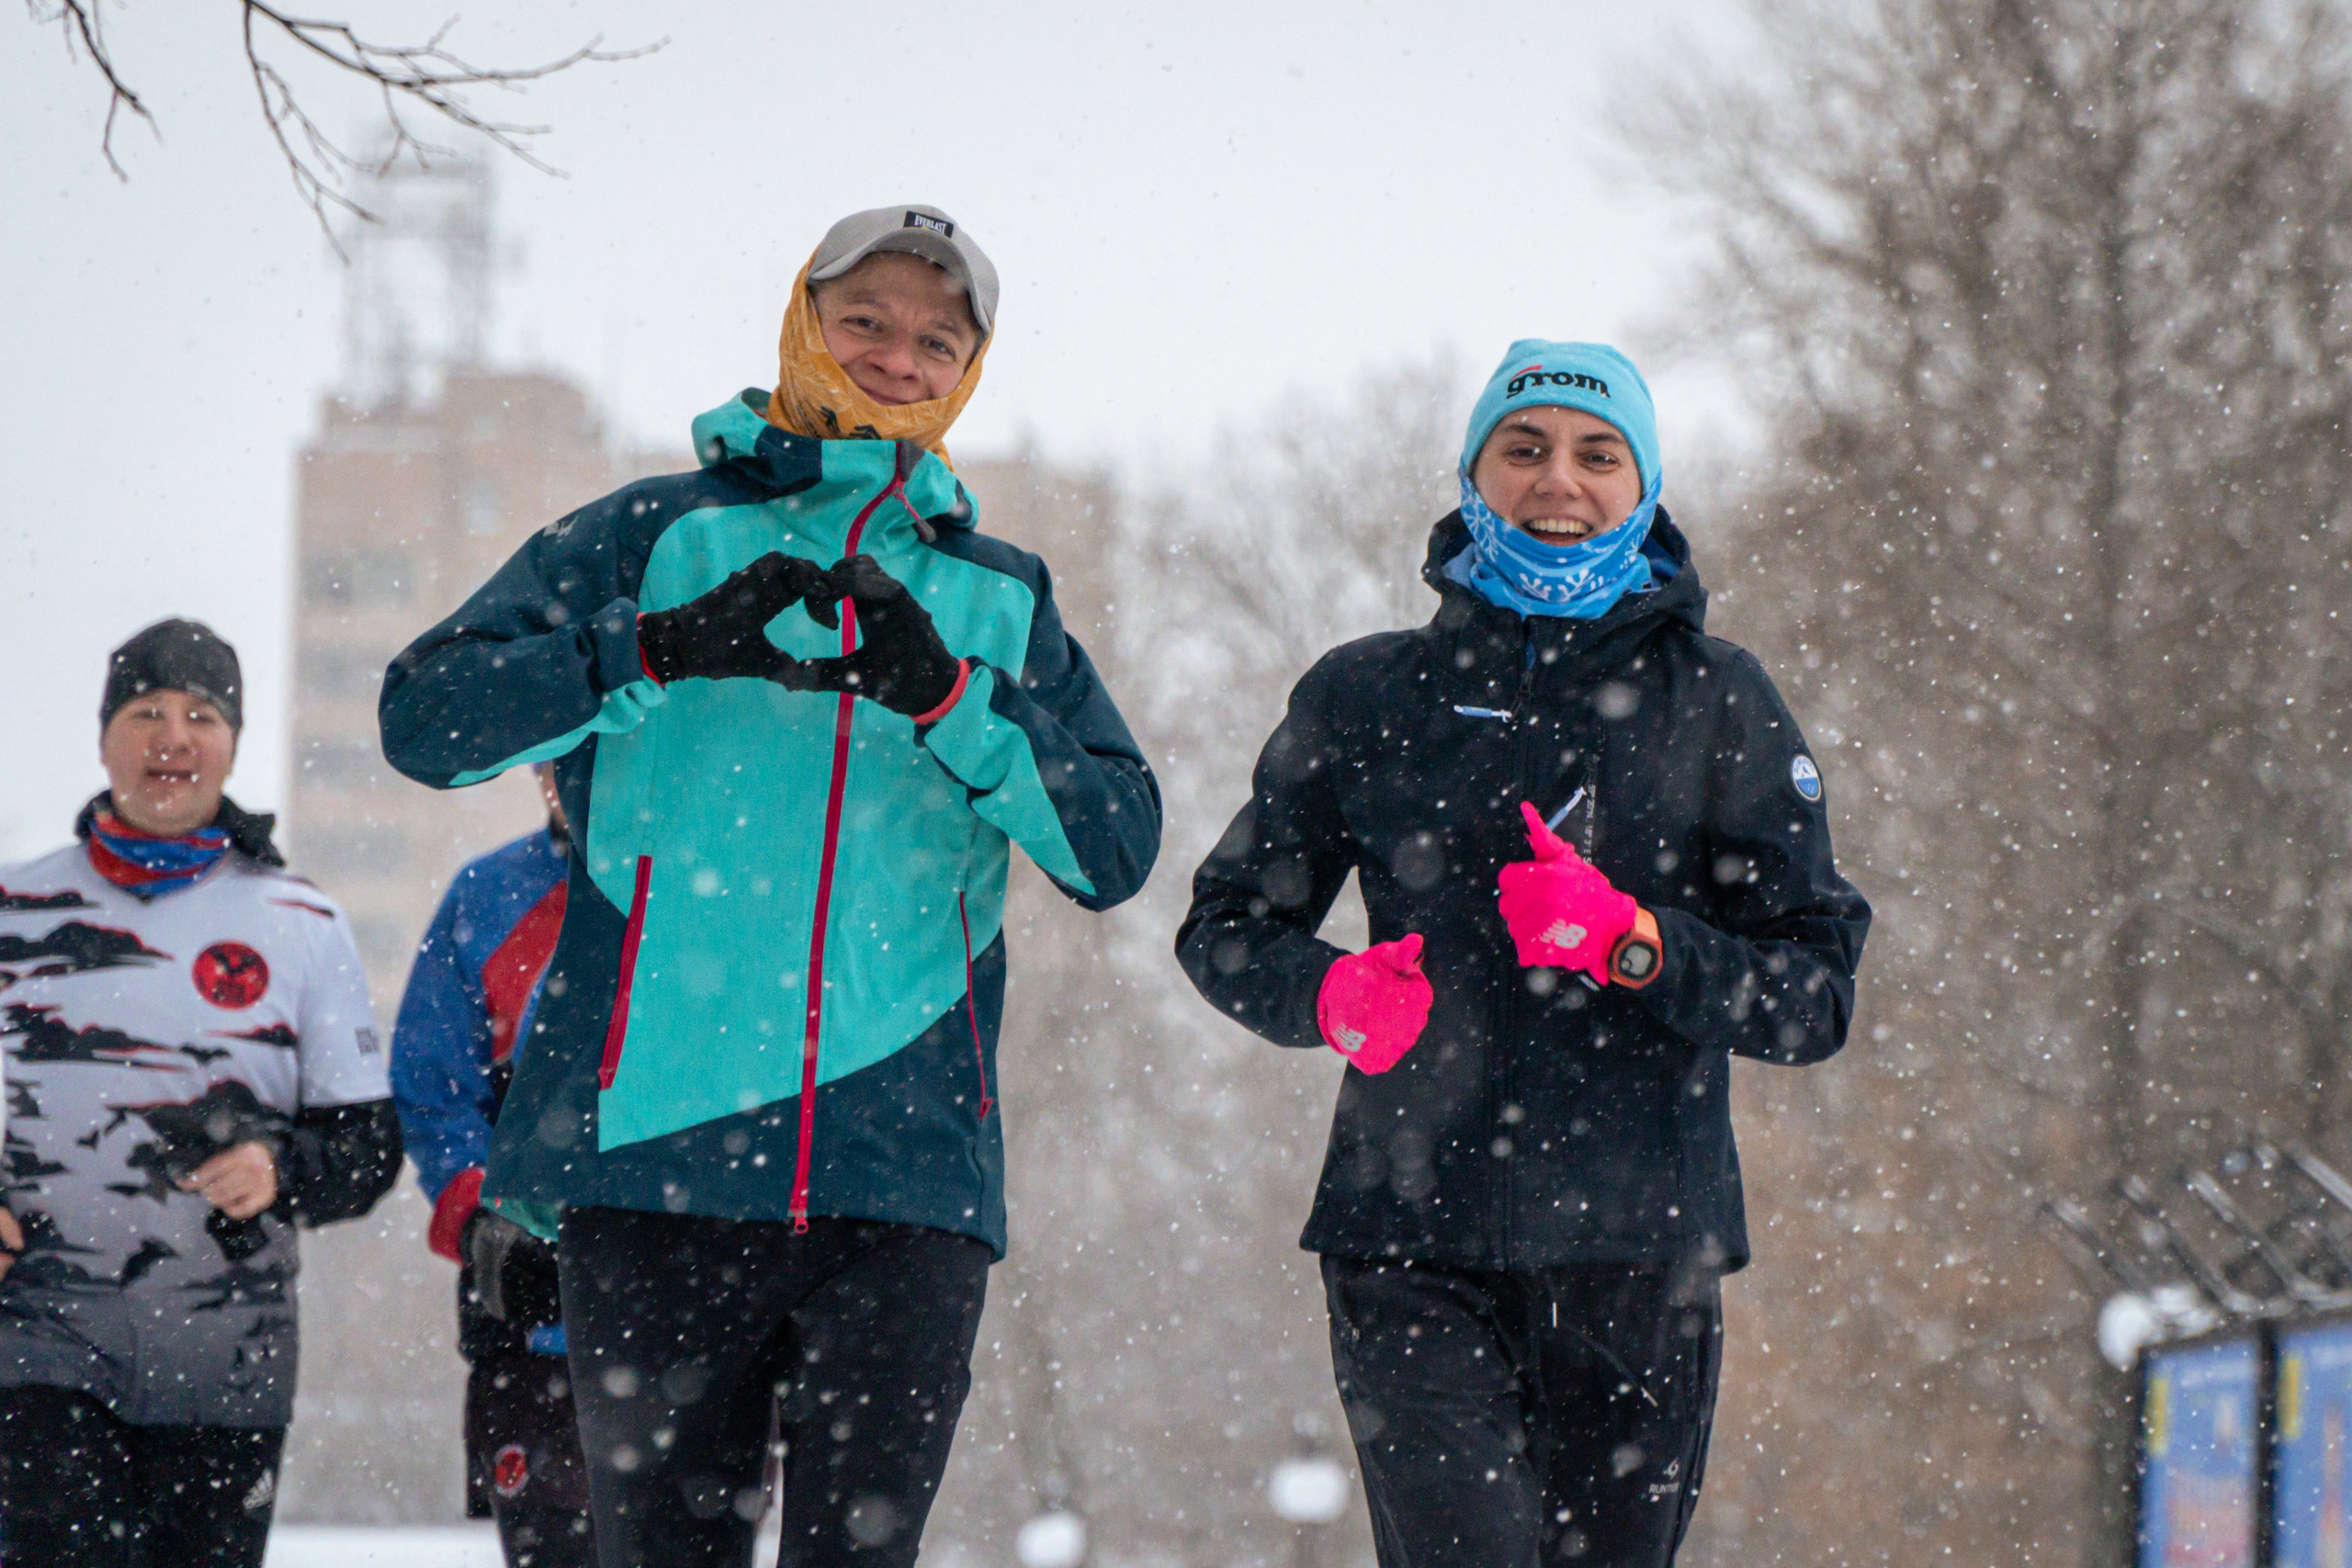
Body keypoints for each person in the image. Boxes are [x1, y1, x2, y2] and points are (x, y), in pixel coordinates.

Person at [378, 204, 1160, 1568]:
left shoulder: (1000, 601)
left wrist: (952, 697)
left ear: (968, 367)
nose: (896, 356)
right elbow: (425, 718)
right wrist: (652, 648)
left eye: (937, 337)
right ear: (804, 321)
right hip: (656, 1170)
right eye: (865, 319)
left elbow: (1115, 849)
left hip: (903, 1178)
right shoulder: (645, 534)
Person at [1176, 343, 1871, 1567]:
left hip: (1640, 1250)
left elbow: (1814, 992)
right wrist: (1326, 993)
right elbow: (1227, 922)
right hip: (1411, 1239)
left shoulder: (1719, 698)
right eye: (1527, 446)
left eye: (1598, 454)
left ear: (1644, 484)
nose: (1561, 478)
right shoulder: (1366, 691)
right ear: (1473, 472)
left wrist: (1637, 943)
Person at [0, 618, 403, 1566]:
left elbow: (369, 1149)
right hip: (35, 1350)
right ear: (104, 738)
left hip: (227, 1366)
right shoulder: (16, 911)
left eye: (200, 714)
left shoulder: (301, 920)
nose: (171, 737)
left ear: (233, 742)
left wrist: (280, 1168)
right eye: (145, 711)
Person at [390, 763, 593, 1567]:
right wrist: (482, 1216)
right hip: (532, 1332)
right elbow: (432, 1086)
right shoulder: (488, 895)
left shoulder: (717, 890)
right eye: (560, 750)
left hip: (694, 1333)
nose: (575, 771)